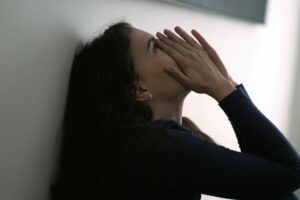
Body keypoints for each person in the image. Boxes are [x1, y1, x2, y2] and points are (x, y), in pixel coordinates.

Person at [49, 21, 300, 200]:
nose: (173, 48)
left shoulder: (167, 137)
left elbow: (271, 177)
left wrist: (225, 82)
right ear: (138, 90)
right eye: (156, 47)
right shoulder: (158, 145)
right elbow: (290, 172)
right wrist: (223, 90)